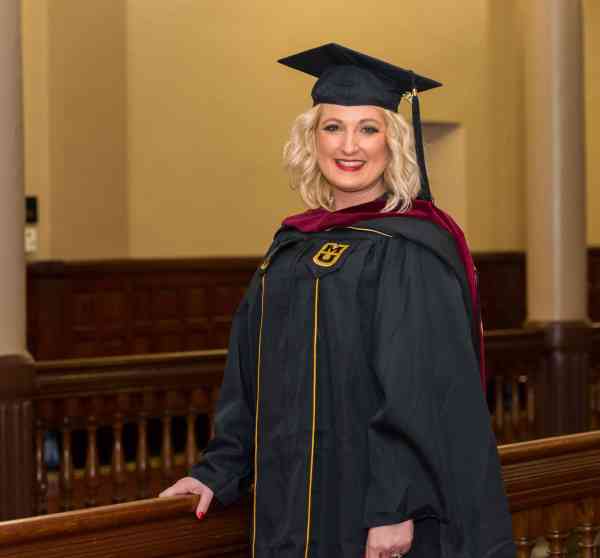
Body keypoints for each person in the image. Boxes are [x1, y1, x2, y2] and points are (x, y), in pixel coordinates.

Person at [160, 43, 516, 558]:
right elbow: (249, 374)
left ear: (393, 143)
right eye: (333, 127)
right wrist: (217, 471)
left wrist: (396, 506)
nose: (350, 145)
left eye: (368, 128)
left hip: (374, 514)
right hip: (291, 502)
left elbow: (416, 387)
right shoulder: (290, 248)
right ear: (312, 140)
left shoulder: (407, 250)